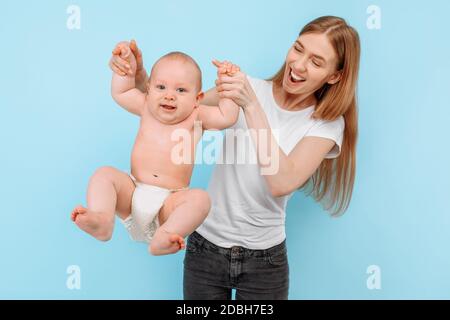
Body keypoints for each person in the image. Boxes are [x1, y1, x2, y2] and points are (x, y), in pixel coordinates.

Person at [109, 15, 360, 299]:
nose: (299, 65)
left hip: (266, 262)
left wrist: (251, 105)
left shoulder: (325, 123)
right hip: (204, 248)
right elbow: (170, 106)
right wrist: (138, 74)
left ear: (334, 76)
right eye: (298, 49)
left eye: (316, 62)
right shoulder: (246, 86)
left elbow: (281, 181)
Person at [72, 41, 240, 256]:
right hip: (132, 193)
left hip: (168, 205)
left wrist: (229, 85)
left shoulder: (197, 117)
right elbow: (121, 91)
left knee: (200, 199)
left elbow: (227, 116)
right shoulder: (145, 106)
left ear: (198, 99)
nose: (169, 95)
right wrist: (125, 65)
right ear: (149, 88)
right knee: (104, 175)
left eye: (181, 90)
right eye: (161, 87)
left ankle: (165, 236)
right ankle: (102, 220)